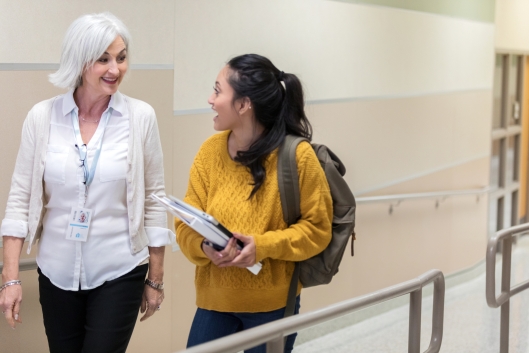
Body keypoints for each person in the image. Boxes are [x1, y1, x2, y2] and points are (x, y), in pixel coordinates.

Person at [0, 12, 173, 353]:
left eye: (121, 58)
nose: (115, 69)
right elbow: (20, 199)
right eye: (103, 59)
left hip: (120, 268)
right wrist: (11, 279)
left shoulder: (140, 118)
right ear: (79, 62)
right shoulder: (42, 117)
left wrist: (155, 278)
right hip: (56, 270)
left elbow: (154, 199)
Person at [175, 54, 333, 353]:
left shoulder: (296, 157)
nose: (210, 99)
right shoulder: (209, 152)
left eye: (218, 91)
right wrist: (204, 247)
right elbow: (184, 223)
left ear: (244, 104)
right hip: (214, 302)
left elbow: (318, 230)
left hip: (272, 306)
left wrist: (261, 246)